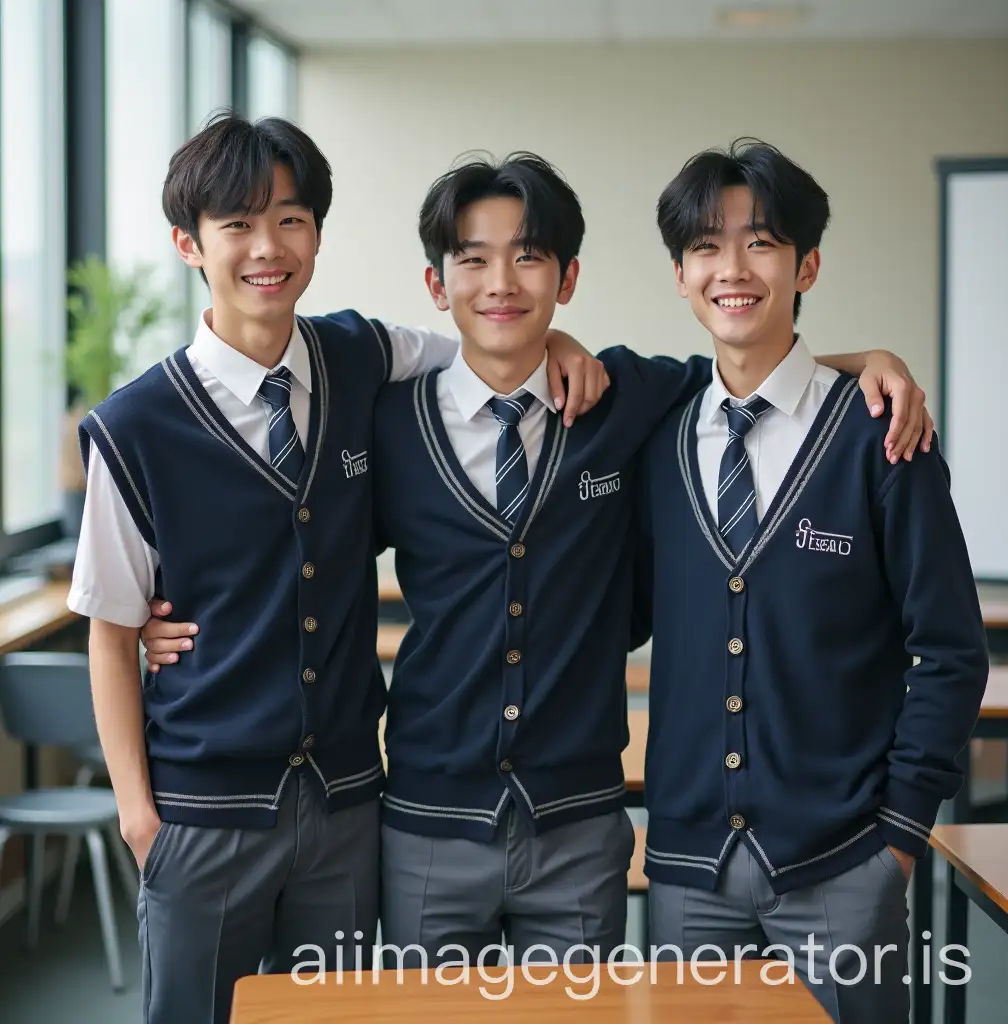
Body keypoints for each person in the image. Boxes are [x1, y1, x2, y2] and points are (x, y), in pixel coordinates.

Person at [140, 151, 931, 970]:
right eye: (473, 260)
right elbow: (295, 549)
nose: (502, 283)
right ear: (437, 286)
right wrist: (155, 625)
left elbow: (745, 372)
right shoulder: (386, 420)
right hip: (427, 823)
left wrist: (869, 364)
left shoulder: (623, 400)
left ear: (568, 277)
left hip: (578, 823)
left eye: (528, 257)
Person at [67, 115, 605, 1024]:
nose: (266, 248)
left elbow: (486, 351)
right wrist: (139, 820)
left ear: (316, 231)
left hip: (349, 806)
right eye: (236, 224)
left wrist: (559, 345)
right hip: (205, 812)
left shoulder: (361, 355)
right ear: (189, 244)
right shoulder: (135, 427)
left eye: (290, 218)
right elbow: (113, 634)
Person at [636, 139, 988, 1022]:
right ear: (680, 274)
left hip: (842, 866)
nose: (734, 269)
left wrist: (900, 838)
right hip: (687, 877)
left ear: (808, 264)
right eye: (707, 247)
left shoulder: (882, 437)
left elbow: (947, 649)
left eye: (761, 242)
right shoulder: (656, 436)